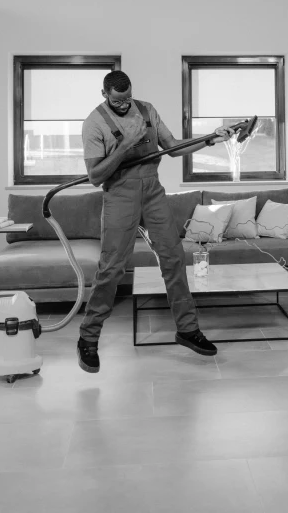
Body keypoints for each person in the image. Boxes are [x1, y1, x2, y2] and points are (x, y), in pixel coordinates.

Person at [77, 70, 235, 373]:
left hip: (152, 190)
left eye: (127, 99)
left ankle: (187, 329)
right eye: (118, 101)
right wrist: (124, 147)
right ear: (104, 94)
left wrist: (210, 139)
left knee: (174, 257)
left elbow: (174, 145)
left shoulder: (147, 110)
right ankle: (88, 337)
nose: (125, 105)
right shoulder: (94, 123)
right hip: (119, 194)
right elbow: (96, 176)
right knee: (112, 267)